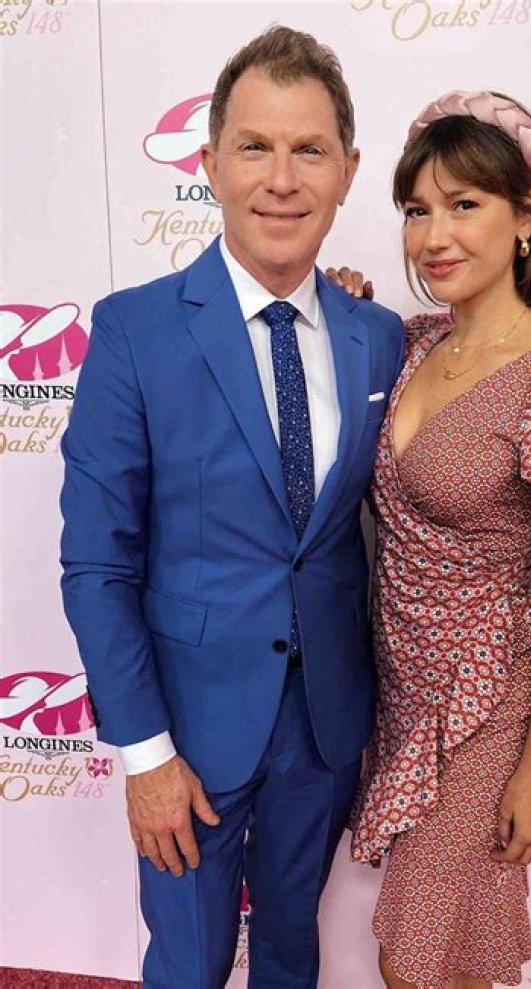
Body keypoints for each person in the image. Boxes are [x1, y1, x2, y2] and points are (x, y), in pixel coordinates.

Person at [59, 26, 405, 989]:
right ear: (211, 163)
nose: (282, 180)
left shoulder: (379, 337)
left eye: (310, 150)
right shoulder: (132, 331)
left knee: (293, 950)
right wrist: (144, 753)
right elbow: (97, 564)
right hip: (187, 731)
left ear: (348, 171)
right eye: (255, 146)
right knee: (191, 963)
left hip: (326, 726)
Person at [338, 90, 531, 989]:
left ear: (527, 216)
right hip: (400, 697)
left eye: (464, 204)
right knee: (454, 949)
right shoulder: (406, 345)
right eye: (416, 210)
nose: (433, 236)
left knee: (416, 957)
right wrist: (341, 307)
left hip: (486, 709)